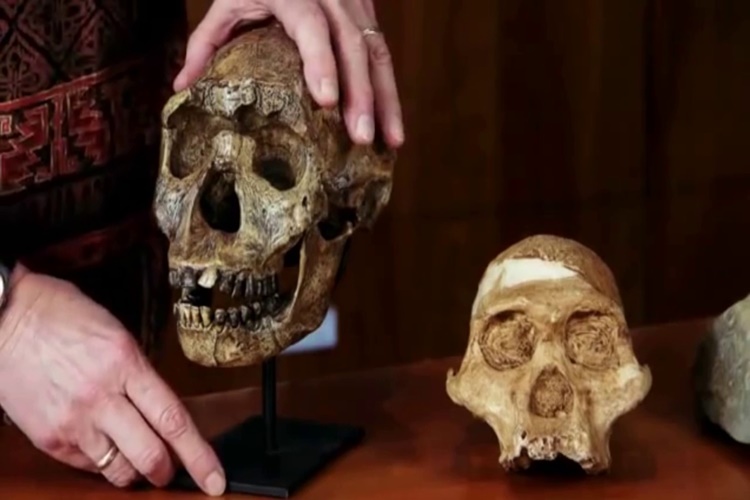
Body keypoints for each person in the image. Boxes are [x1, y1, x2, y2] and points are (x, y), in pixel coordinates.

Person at [0, 0, 403, 497]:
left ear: (361, 193)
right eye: (192, 155)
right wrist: (10, 321)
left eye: (276, 166)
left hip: (112, 366)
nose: (207, 226)